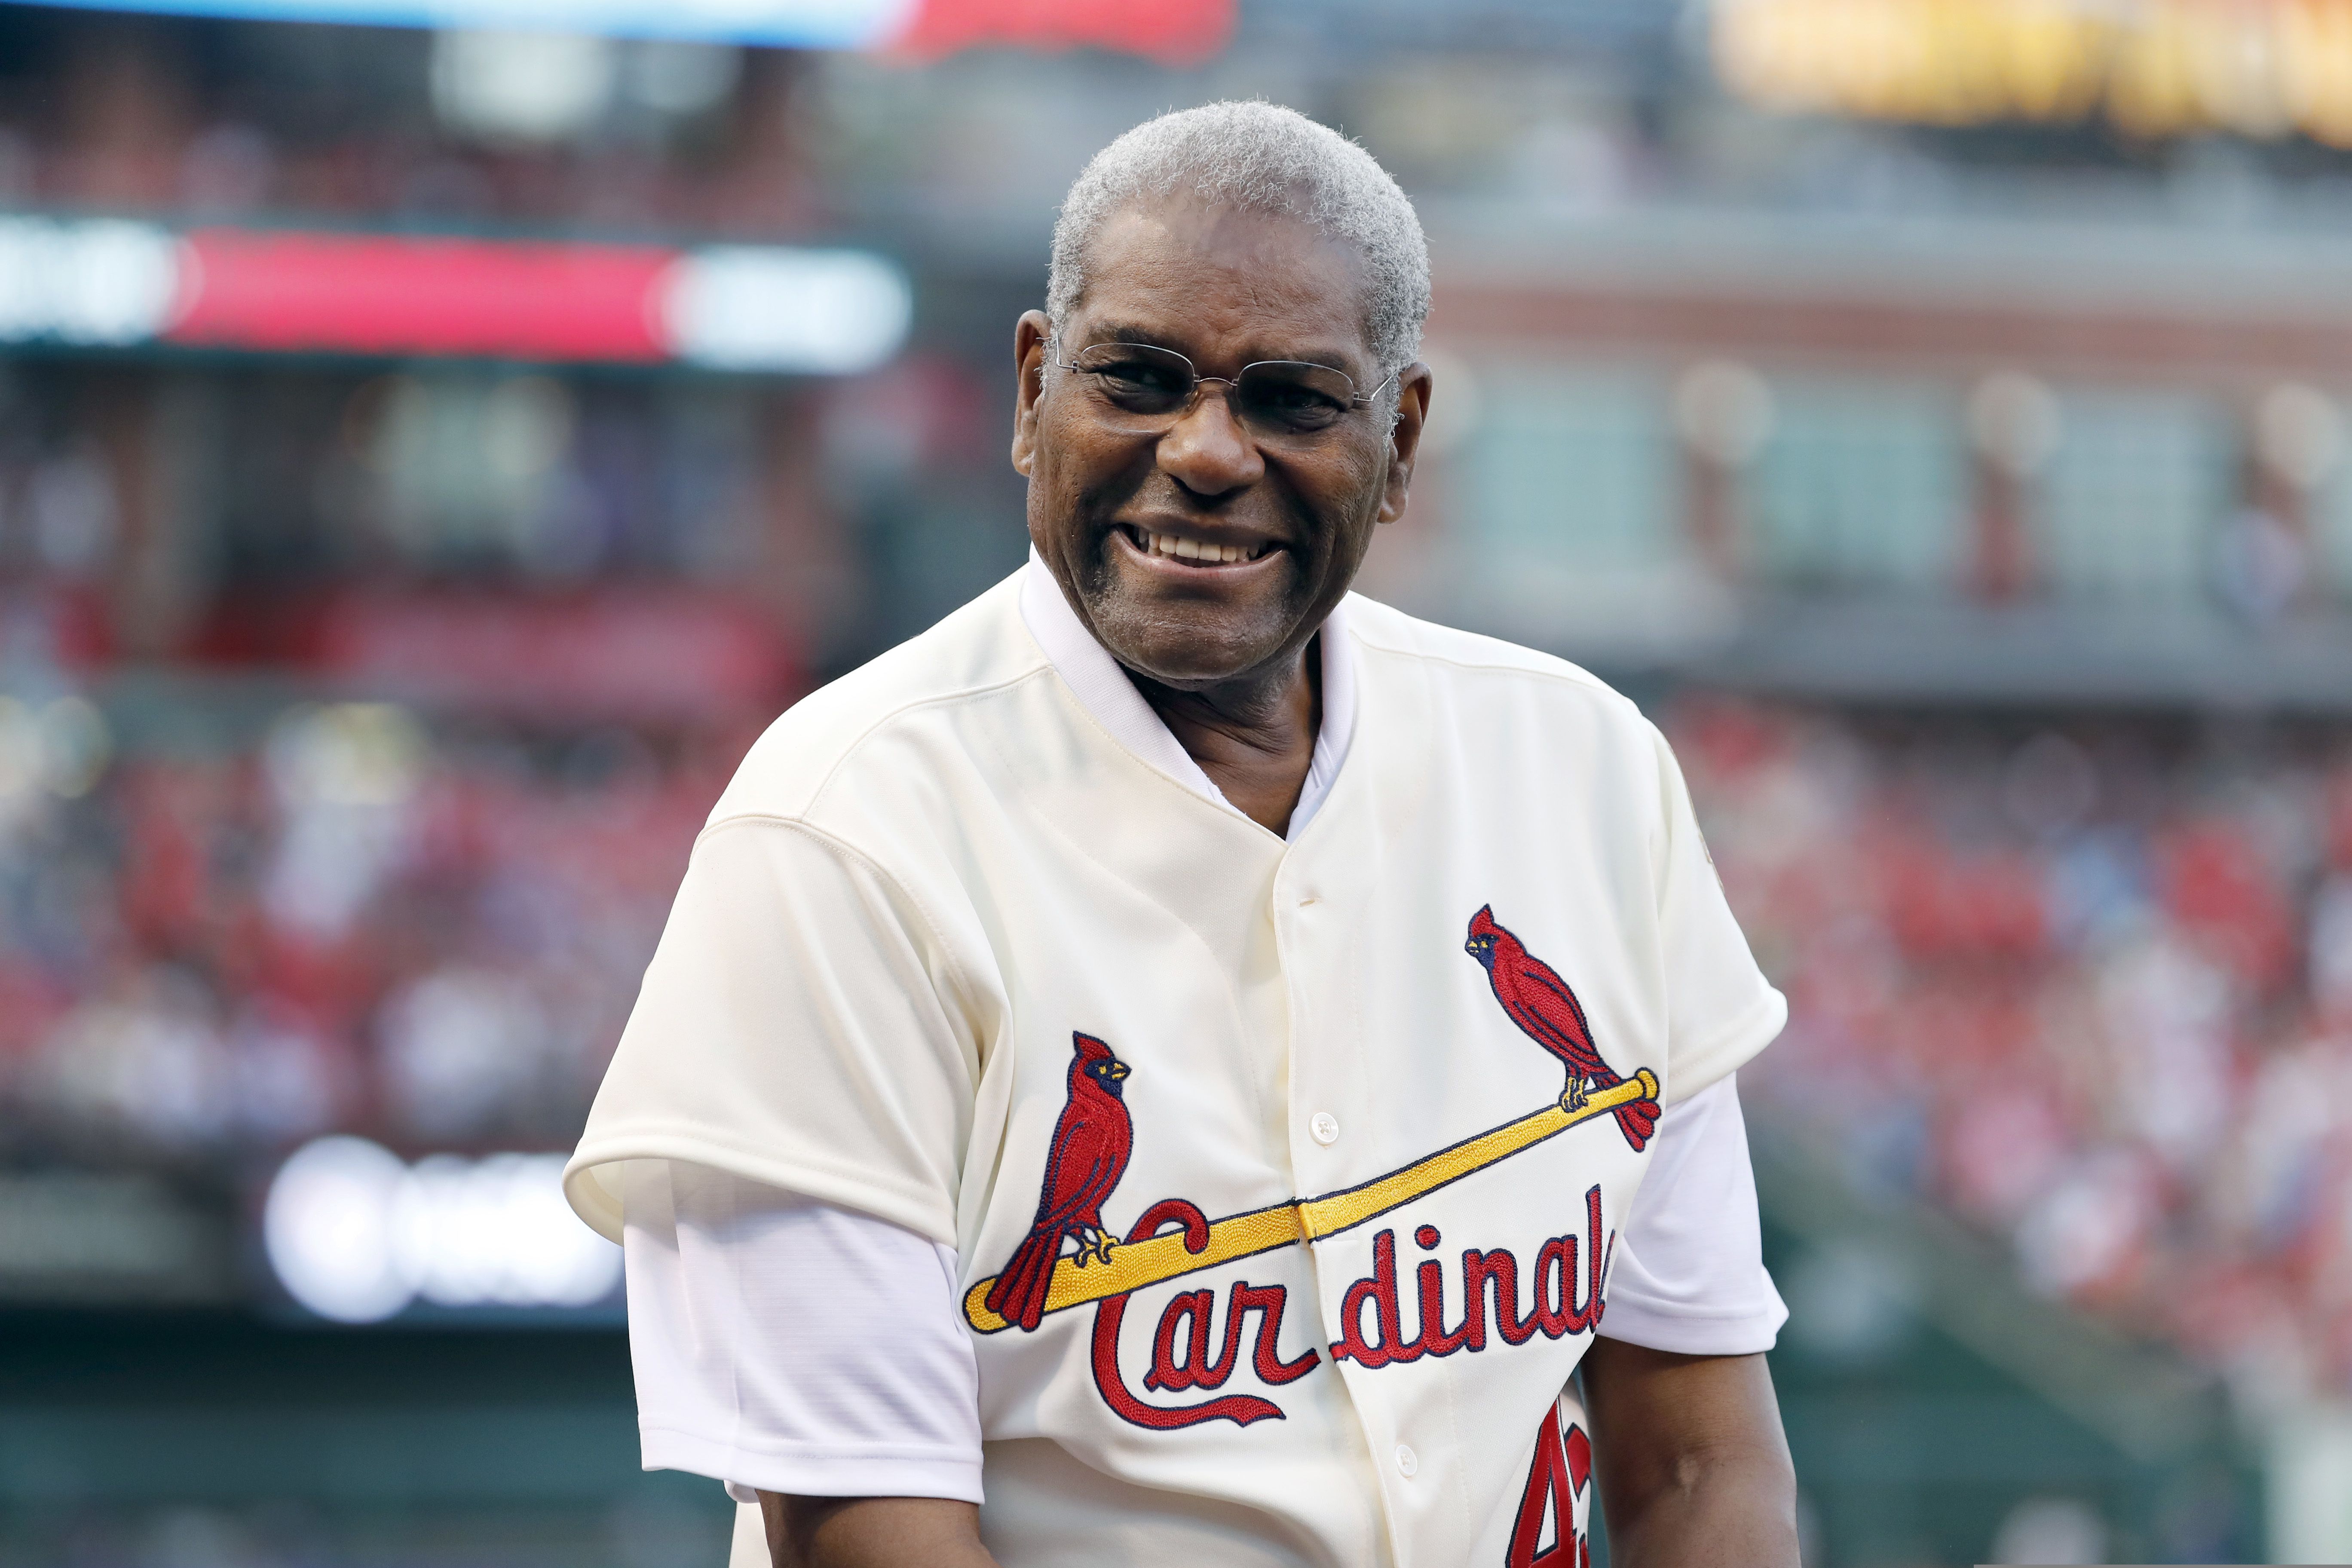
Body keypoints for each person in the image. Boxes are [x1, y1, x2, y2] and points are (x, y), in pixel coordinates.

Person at [565, 101, 1800, 1568]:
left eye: (1292, 400)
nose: (1207, 452)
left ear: (1398, 443)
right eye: (1139, 379)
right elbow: (869, 1535)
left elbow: (1700, 1461)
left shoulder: (1586, 769)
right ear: (1035, 395)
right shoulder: (841, 832)